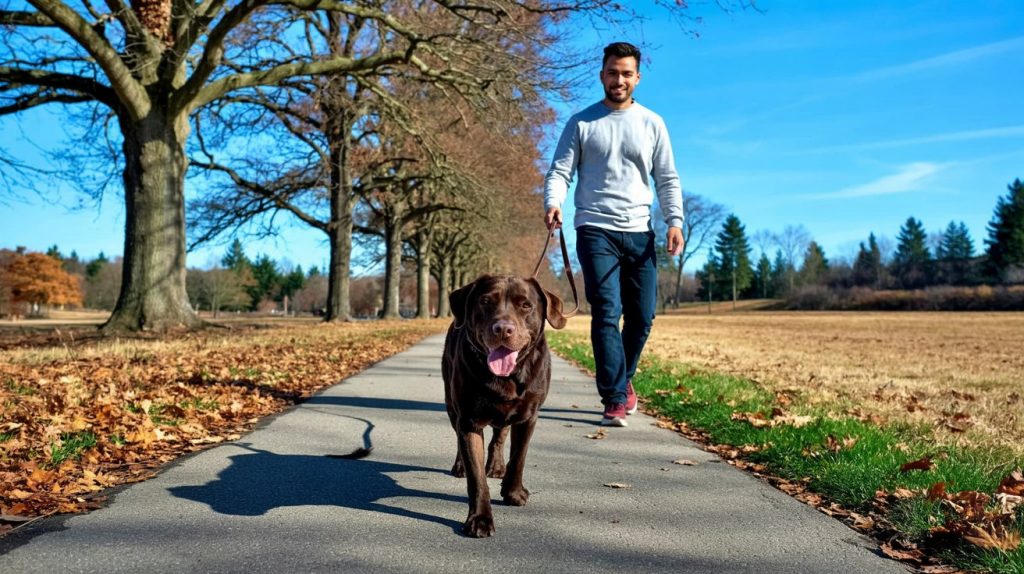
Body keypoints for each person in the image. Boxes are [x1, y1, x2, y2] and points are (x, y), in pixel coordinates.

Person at [543, 41, 684, 427]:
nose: (618, 79)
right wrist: (553, 202)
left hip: (640, 231)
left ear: (637, 78)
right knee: (607, 311)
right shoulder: (582, 123)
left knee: (643, 316)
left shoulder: (652, 123)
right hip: (595, 228)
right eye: (612, 72)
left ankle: (623, 378)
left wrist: (674, 221)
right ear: (601, 75)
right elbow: (560, 171)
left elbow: (667, 178)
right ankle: (614, 398)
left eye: (626, 73)